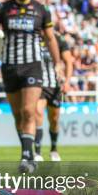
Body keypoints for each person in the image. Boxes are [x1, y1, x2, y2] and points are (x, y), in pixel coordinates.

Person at [0, 0, 62, 174]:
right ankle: (29, 153)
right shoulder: (3, 8)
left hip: (32, 65)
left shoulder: (41, 10)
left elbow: (50, 39)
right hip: (9, 67)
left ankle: (26, 156)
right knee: (17, 115)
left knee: (28, 111)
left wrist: (57, 63)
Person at [34, 34, 73, 162]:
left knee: (54, 119)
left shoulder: (59, 40)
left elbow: (68, 61)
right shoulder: (34, 38)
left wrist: (67, 81)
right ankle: (37, 152)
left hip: (55, 86)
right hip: (38, 84)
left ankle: (54, 149)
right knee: (38, 113)